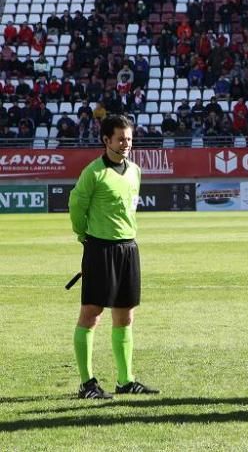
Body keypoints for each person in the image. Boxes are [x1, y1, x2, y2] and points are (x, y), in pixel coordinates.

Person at [68, 115, 158, 399]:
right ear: (106, 140)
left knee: (125, 315)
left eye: (129, 139)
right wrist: (84, 237)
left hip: (128, 248)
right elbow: (75, 207)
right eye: (120, 139)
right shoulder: (93, 173)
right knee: (91, 314)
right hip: (100, 249)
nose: (125, 144)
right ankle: (87, 384)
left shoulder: (135, 171)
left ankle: (125, 380)